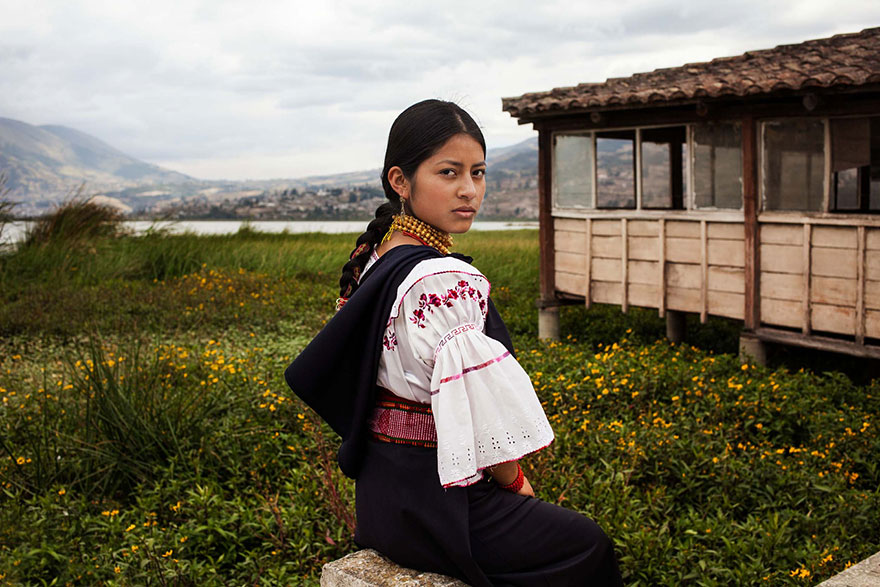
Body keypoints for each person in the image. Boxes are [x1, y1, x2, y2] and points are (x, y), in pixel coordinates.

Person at [285, 99, 623, 586]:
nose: (469, 190)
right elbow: (477, 408)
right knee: (588, 543)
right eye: (449, 173)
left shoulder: (376, 256)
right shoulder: (443, 277)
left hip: (383, 500)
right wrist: (515, 482)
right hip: (443, 505)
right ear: (400, 181)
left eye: (479, 173)